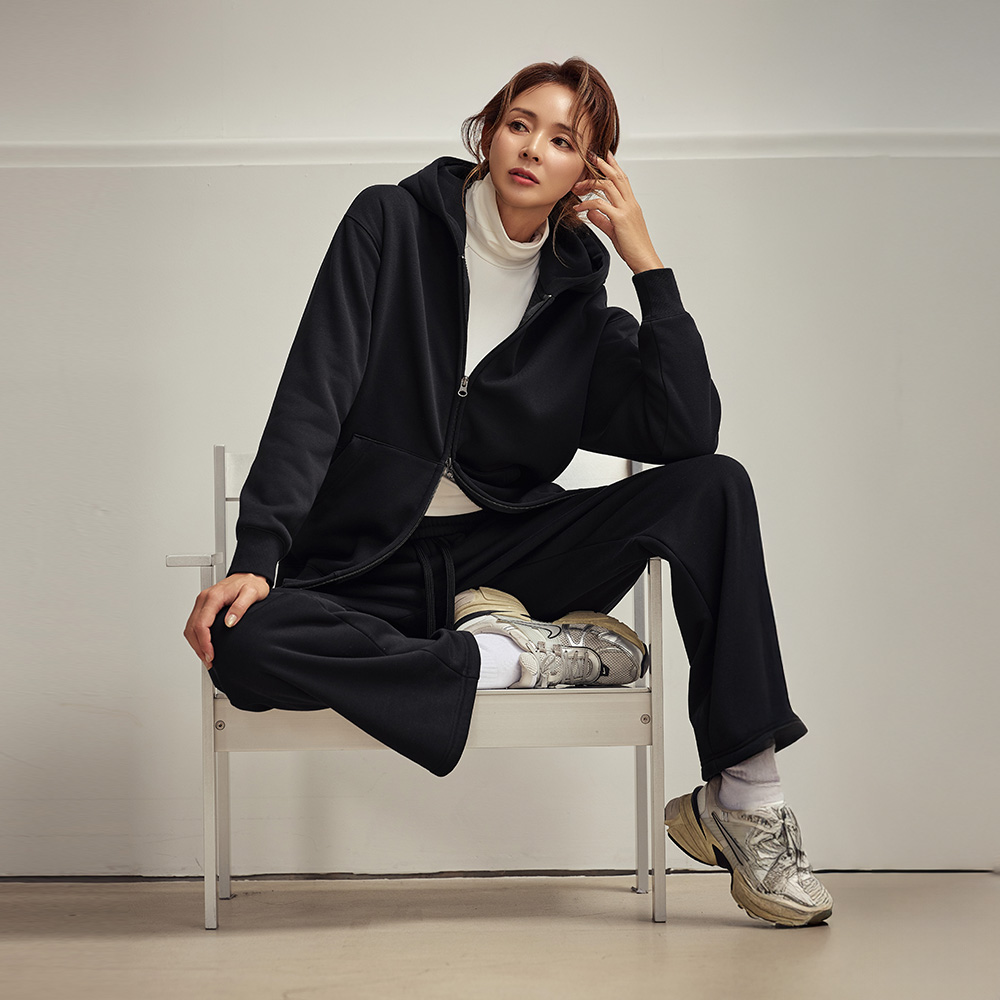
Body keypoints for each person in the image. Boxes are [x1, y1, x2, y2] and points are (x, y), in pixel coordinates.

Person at [183, 58, 833, 928]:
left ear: (588, 173)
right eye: (520, 124)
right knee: (243, 643)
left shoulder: (579, 305)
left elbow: (688, 431)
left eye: (563, 140)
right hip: (369, 565)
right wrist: (259, 555)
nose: (532, 148)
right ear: (489, 133)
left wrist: (646, 262)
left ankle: (745, 798)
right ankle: (511, 658)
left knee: (715, 488)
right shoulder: (389, 225)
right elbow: (315, 390)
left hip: (506, 563)